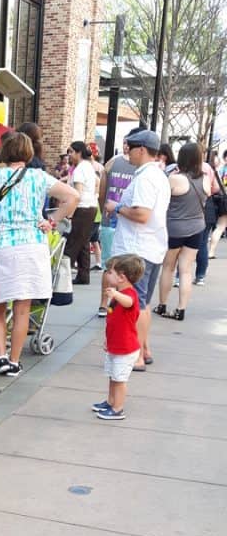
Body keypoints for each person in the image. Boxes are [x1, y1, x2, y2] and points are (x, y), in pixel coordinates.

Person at [0, 131, 78, 378]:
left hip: (0, 247)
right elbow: (72, 197)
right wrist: (52, 221)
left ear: (5, 152)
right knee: (22, 309)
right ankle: (15, 361)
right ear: (29, 152)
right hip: (31, 246)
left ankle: (0, 356)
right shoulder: (39, 177)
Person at [104, 129, 170, 372]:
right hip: (150, 246)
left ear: (141, 150)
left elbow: (142, 214)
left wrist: (117, 207)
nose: (127, 152)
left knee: (137, 304)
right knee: (143, 302)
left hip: (138, 248)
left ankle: (139, 355)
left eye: (129, 148)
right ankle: (144, 349)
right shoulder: (158, 175)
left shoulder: (145, 178)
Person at [152, 142, 208, 322]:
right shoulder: (205, 179)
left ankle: (162, 305)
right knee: (186, 270)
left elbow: (161, 201)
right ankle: (181, 309)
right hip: (197, 228)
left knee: (168, 267)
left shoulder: (175, 179)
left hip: (174, 229)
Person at [92, 254, 145, 421]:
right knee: (113, 376)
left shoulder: (129, 294)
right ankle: (110, 401)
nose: (107, 275)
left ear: (122, 277)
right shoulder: (119, 294)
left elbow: (129, 302)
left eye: (110, 272)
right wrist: (108, 340)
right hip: (116, 344)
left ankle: (118, 408)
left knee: (120, 379)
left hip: (125, 347)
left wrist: (115, 295)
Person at [97, 134, 137, 316]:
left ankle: (104, 304)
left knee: (109, 265)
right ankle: (119, 301)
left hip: (111, 217)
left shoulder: (111, 163)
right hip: (128, 221)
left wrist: (103, 208)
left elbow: (102, 191)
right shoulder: (140, 169)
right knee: (126, 266)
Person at [65, 141, 99, 284]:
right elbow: (97, 182)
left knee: (72, 243)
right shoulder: (89, 166)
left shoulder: (79, 169)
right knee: (84, 243)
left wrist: (70, 213)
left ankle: (62, 277)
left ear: (79, 153)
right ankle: (83, 275)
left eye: (71, 152)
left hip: (82, 208)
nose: (69, 156)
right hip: (91, 207)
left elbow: (77, 194)